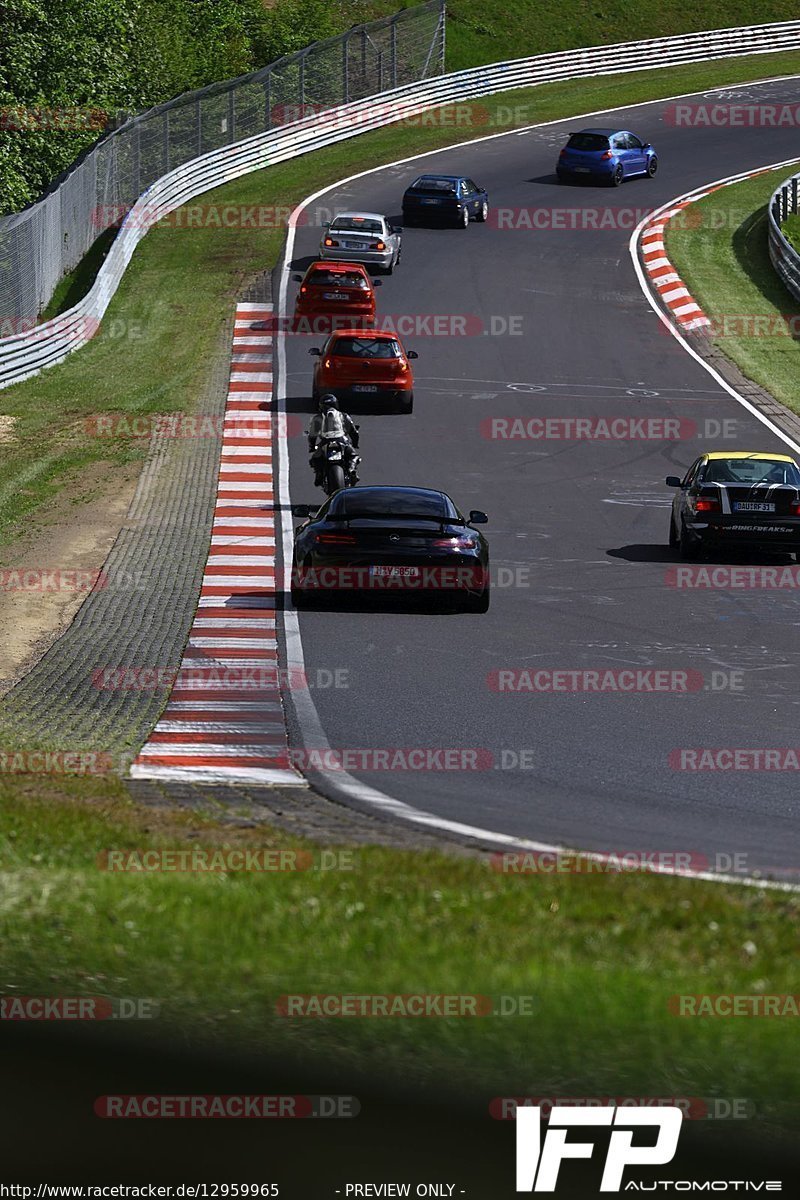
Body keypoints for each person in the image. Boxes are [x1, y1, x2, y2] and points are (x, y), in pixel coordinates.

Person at [307, 394, 360, 487]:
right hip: (342, 440)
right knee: (353, 456)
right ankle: (352, 470)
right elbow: (353, 432)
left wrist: (312, 446)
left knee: (315, 459)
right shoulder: (344, 415)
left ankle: (319, 474)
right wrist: (355, 443)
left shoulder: (317, 418)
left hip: (325, 442)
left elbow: (312, 435)